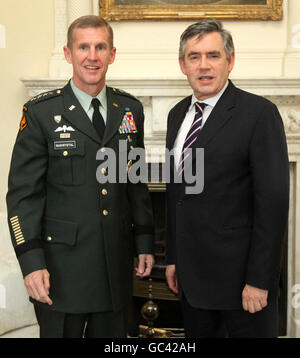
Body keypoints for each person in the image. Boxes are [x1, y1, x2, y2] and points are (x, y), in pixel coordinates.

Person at [6, 15, 154, 338]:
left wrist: (144, 241)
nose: (92, 55)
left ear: (112, 54)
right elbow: (22, 196)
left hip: (113, 271)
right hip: (61, 273)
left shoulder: (129, 110)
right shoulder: (41, 114)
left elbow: (135, 183)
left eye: (101, 47)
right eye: (83, 47)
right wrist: (31, 262)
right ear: (68, 53)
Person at [165, 19, 289, 338]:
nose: (203, 66)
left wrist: (260, 280)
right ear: (183, 65)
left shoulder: (259, 114)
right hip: (192, 283)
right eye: (194, 57)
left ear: (230, 61)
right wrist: (174, 258)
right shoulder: (177, 115)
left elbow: (272, 206)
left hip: (242, 287)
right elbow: (177, 193)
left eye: (213, 55)